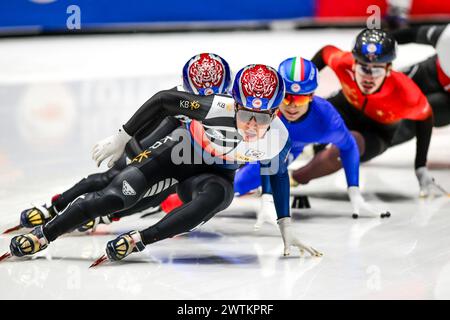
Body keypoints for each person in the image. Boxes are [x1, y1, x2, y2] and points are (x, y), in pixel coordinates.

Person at [7, 64, 323, 263]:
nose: (252, 126)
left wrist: (286, 226)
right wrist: (121, 137)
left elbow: (278, 177)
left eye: (261, 118)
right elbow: (163, 100)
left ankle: (139, 240)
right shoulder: (215, 107)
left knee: (218, 198)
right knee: (117, 195)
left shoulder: (277, 138)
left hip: (212, 176)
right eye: (245, 115)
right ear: (235, 104)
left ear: (275, 114)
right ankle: (44, 234)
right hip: (176, 155)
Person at [7, 53, 232, 234]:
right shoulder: (175, 101)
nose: (201, 105)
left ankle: (107, 214)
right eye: (196, 98)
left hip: (191, 148)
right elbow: (142, 127)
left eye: (209, 99)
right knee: (117, 176)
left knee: (162, 189)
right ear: (185, 89)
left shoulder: (230, 109)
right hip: (169, 135)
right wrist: (128, 149)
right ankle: (54, 207)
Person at [234, 57, 389, 227]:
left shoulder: (326, 122)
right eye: (286, 98)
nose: (292, 106)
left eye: (299, 99)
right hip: (248, 141)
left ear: (311, 96)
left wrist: (355, 193)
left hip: (283, 150)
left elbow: (349, 146)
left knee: (239, 184)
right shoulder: (264, 103)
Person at [308, 28, 440, 197]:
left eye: (376, 70)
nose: (369, 78)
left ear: (388, 69)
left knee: (347, 151)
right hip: (345, 107)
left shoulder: (406, 93)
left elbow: (426, 117)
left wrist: (420, 167)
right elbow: (325, 52)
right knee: (299, 116)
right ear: (354, 64)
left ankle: (293, 179)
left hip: (377, 132)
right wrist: (305, 88)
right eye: (364, 69)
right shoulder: (344, 63)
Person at [391, 24, 450, 146]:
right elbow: (412, 34)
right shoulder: (445, 37)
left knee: (414, 120)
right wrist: (375, 44)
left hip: (446, 102)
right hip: (433, 72)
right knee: (387, 87)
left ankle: (361, 146)